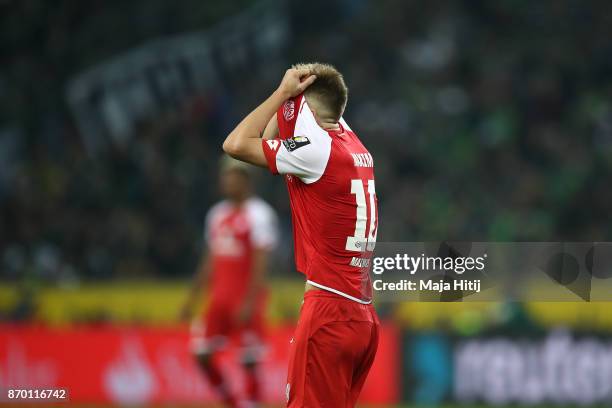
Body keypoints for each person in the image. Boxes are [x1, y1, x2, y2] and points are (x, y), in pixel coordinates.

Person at [223, 63, 379, 407]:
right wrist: (297, 97)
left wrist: (282, 93)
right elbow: (322, 103)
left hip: (329, 313)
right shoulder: (353, 144)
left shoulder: (313, 151)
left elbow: (236, 145)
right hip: (364, 318)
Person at [180, 156, 278, 408]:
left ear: (247, 181)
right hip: (219, 299)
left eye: (235, 177)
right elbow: (210, 260)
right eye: (226, 177)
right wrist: (192, 298)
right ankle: (231, 401)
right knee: (201, 353)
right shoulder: (217, 214)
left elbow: (261, 262)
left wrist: (250, 300)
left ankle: (251, 403)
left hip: (244, 298)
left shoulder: (259, 214)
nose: (229, 182)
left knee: (249, 359)